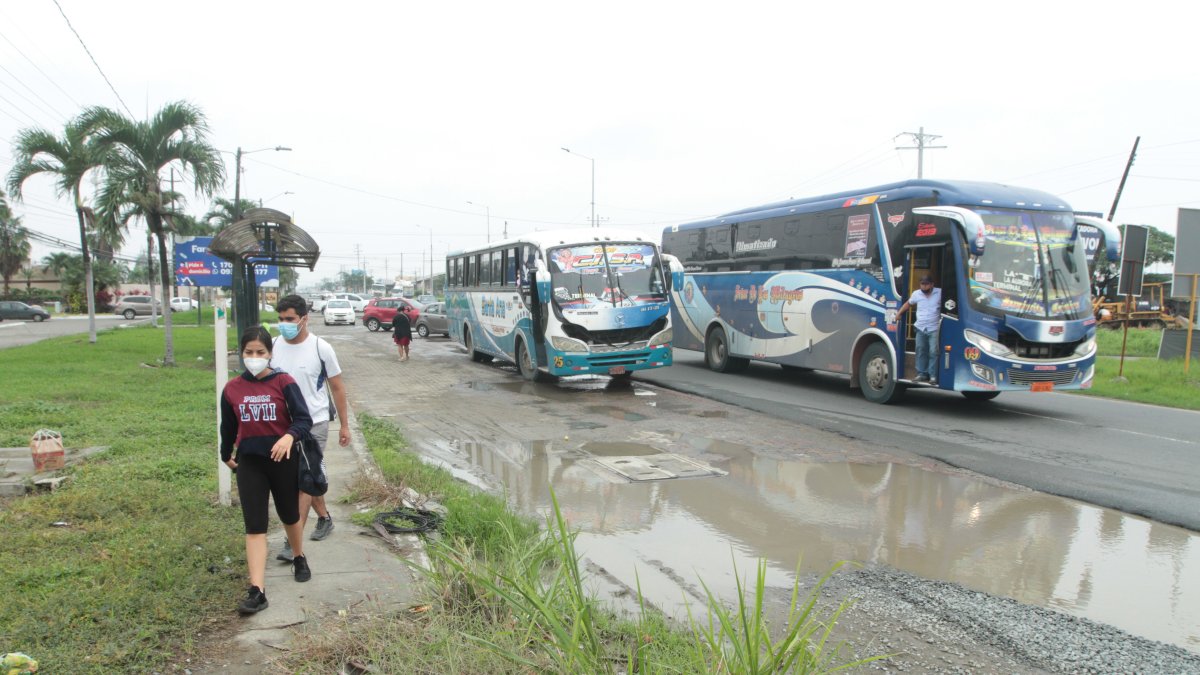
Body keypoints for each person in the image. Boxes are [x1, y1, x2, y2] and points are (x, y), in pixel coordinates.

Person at [220, 325, 314, 615]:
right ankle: (257, 590)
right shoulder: (232, 388)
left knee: (289, 515)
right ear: (241, 353)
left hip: (283, 461)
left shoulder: (283, 382)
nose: (254, 357)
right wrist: (226, 455)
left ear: (270, 354)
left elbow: (303, 419)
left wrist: (289, 436)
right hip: (250, 463)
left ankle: (299, 556)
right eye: (249, 352)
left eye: (260, 352)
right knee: (255, 525)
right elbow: (229, 427)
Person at [270, 295, 351, 563]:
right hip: (282, 426)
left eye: (290, 319)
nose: (284, 324)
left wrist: (345, 426)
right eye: (281, 319)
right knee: (301, 479)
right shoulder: (273, 346)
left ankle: (291, 540)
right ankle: (325, 518)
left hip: (313, 424)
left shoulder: (321, 348)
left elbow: (337, 387)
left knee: (303, 482)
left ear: (304, 318)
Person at [895, 274, 942, 383]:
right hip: (920, 327)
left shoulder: (939, 293)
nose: (924, 287)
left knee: (933, 351)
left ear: (932, 284)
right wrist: (899, 313)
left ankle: (933, 375)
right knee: (920, 350)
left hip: (934, 327)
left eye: (926, 284)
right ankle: (921, 374)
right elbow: (908, 304)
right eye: (922, 284)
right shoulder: (916, 294)